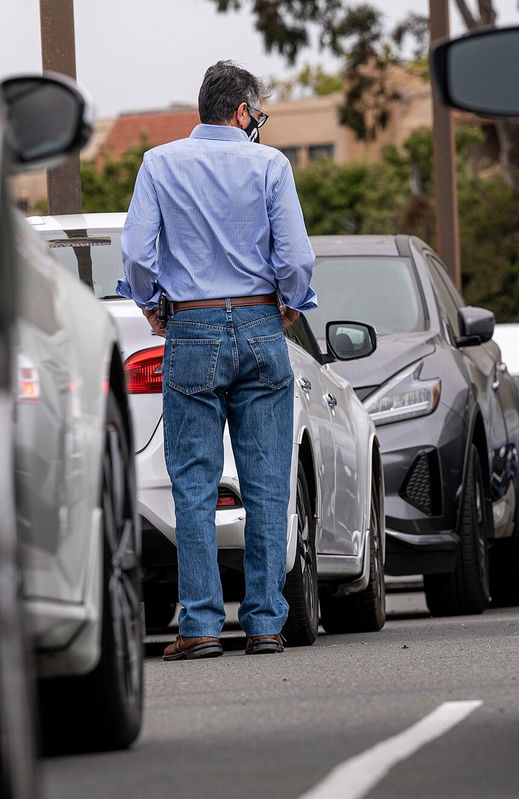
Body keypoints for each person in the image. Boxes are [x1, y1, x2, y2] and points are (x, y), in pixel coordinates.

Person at [117, 60, 316, 660]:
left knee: (195, 484)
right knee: (266, 483)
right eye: (259, 111)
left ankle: (201, 623)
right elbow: (297, 257)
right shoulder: (271, 165)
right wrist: (287, 304)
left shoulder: (159, 163)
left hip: (192, 328)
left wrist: (153, 306)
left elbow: (135, 251)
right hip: (259, 323)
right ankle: (263, 623)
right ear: (241, 112)